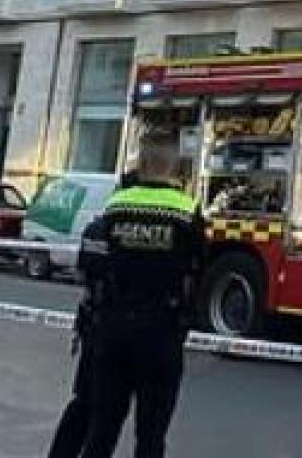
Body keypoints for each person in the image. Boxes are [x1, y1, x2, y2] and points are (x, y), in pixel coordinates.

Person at [75, 149, 203, 458]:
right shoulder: (187, 210)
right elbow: (195, 271)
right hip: (160, 332)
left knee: (102, 429)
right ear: (175, 171)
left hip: (114, 329)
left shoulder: (116, 205)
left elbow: (96, 265)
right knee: (151, 435)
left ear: (142, 167)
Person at [46, 169, 139, 458]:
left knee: (84, 401)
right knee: (107, 410)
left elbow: (85, 272)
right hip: (114, 326)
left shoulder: (96, 227)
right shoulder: (127, 233)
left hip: (92, 321)